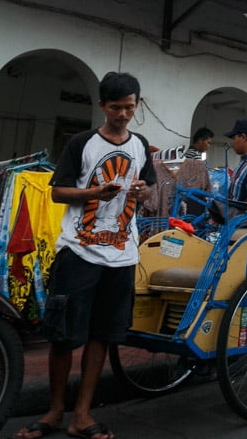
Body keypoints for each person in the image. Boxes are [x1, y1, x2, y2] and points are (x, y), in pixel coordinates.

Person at [14, 72, 155, 439]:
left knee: (102, 336)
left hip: (122, 255)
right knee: (62, 336)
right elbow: (58, 192)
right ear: (102, 106)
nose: (123, 114)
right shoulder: (82, 142)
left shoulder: (140, 145)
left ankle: (82, 414)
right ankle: (54, 410)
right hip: (79, 251)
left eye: (130, 106)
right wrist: (94, 193)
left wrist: (141, 192)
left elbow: (150, 191)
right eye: (116, 107)